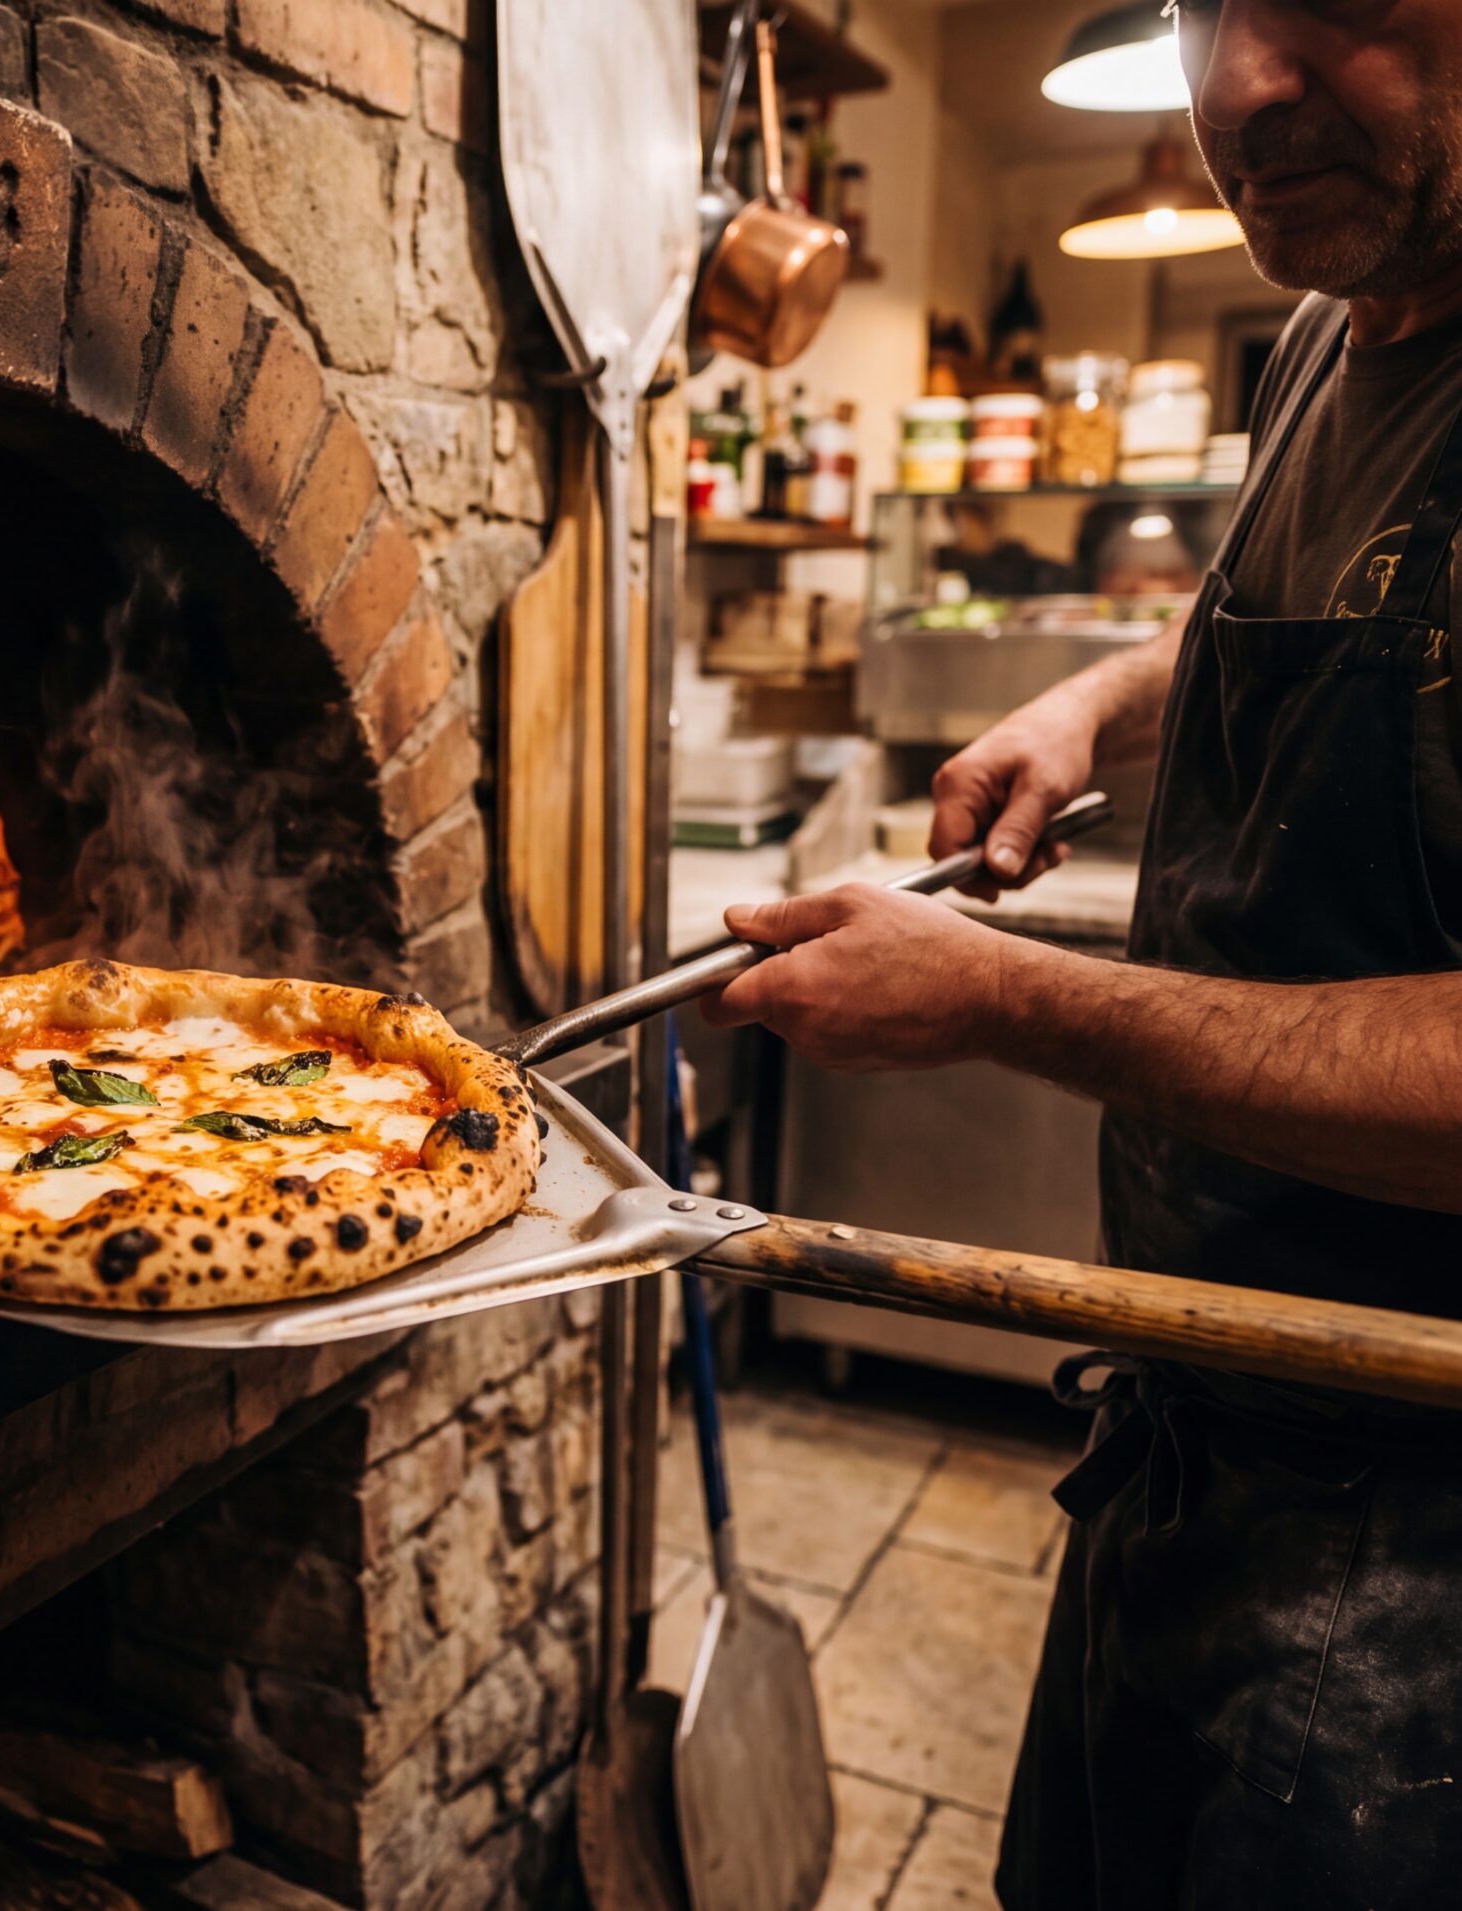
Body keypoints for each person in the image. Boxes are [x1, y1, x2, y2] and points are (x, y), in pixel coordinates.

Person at [700, 0, 1462, 1900]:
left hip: (1423, 1541)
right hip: (1194, 1413)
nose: (1243, 88)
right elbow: (1283, 624)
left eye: (1346, 4)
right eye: (1215, 5)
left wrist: (1008, 1000)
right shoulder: (1328, 328)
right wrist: (1096, 710)